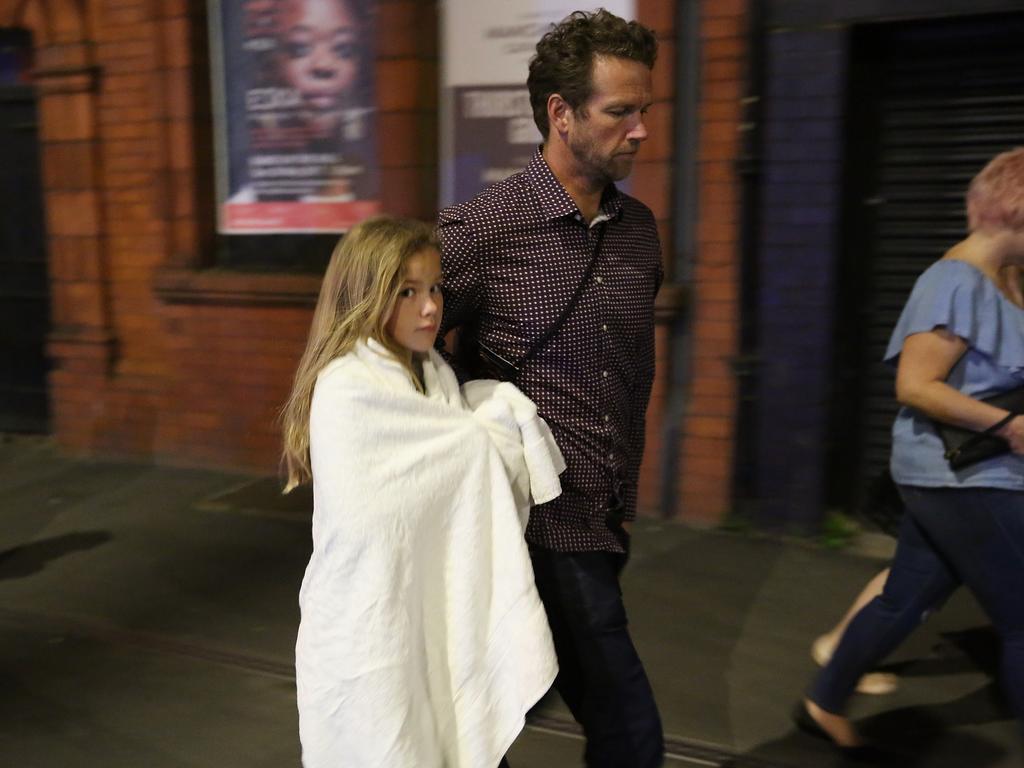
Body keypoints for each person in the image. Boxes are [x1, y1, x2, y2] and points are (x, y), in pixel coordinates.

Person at [436, 10, 664, 767]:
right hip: (526, 524)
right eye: (619, 112)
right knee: (630, 734)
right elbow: (395, 351)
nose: (639, 132)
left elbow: (632, 369)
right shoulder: (481, 230)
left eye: (644, 111)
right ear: (560, 114)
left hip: (606, 517)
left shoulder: (640, 230)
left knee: (496, 709)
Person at [280, 216, 565, 767]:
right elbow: (423, 488)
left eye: (435, 288)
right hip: (371, 627)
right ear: (366, 296)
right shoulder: (348, 390)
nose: (431, 307)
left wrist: (476, 428)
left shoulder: (432, 373)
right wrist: (489, 429)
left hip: (432, 613)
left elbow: (449, 473)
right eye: (407, 292)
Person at [796, 147, 1024, 754]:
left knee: (906, 596)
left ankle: (824, 701)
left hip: (976, 474)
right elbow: (916, 387)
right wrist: (1009, 424)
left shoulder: (1007, 281)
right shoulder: (953, 281)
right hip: (961, 474)